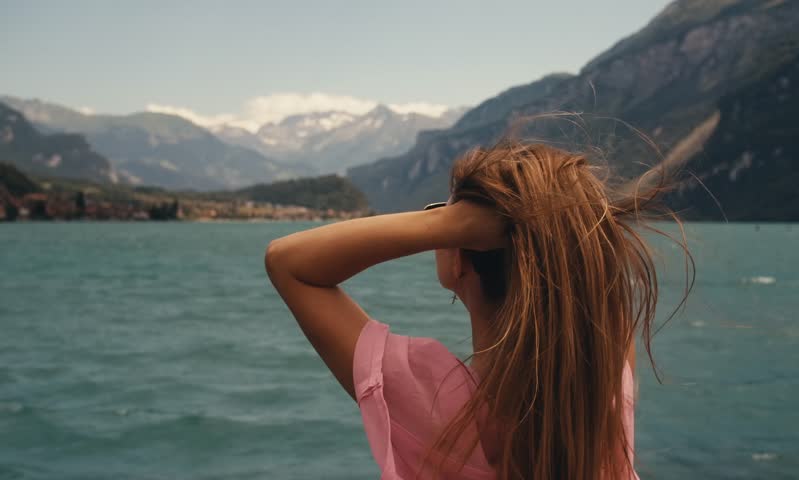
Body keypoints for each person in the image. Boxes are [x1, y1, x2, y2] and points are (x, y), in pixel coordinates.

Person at [265, 139, 692, 479]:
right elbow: (594, 278)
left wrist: (450, 223)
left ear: (458, 256)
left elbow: (289, 263)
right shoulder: (604, 390)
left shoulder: (432, 407)